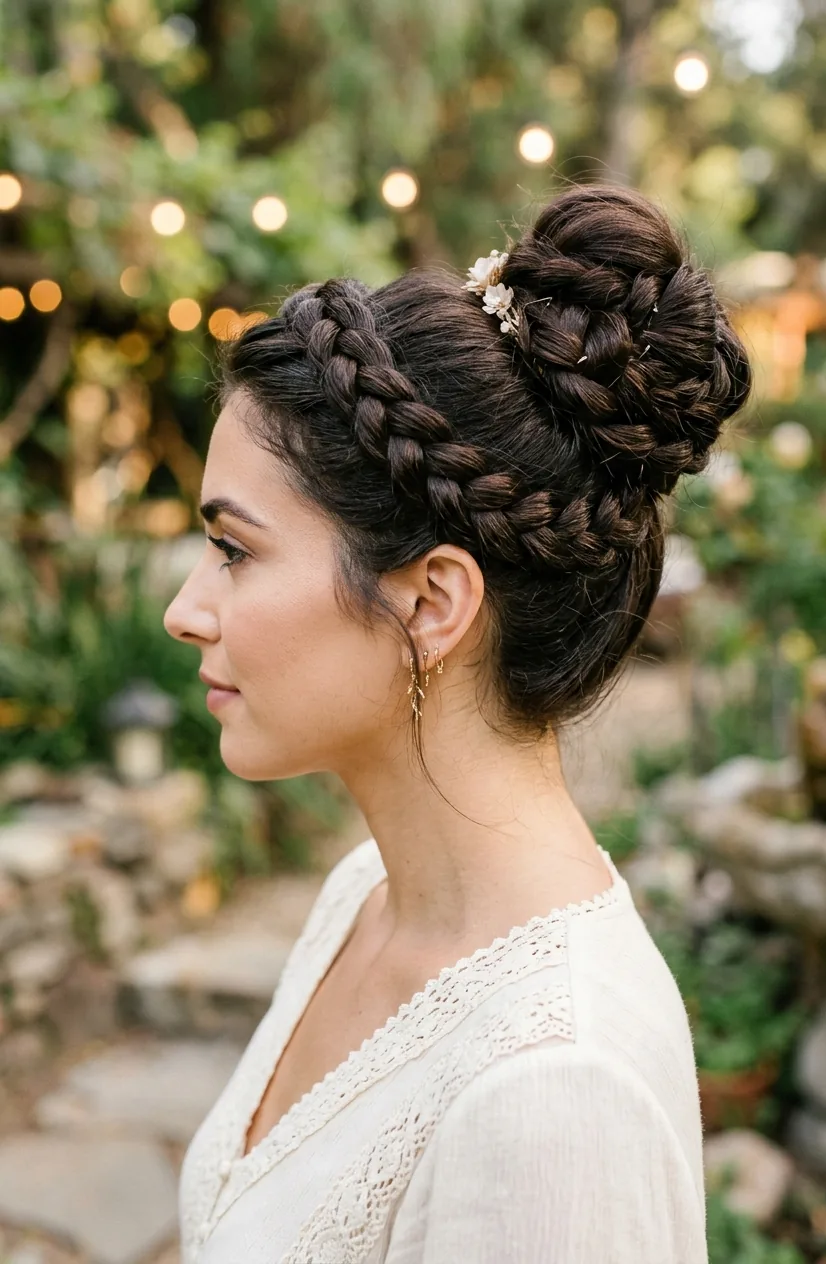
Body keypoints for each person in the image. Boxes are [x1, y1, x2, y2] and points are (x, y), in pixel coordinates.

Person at [163, 181, 751, 1263]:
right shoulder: (362, 899)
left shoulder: (556, 1094)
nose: (184, 611)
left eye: (235, 551)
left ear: (431, 603)